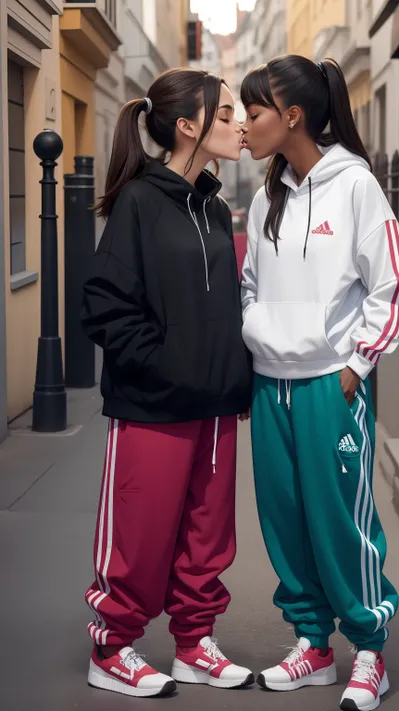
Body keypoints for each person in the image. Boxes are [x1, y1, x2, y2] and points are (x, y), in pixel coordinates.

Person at [240, 56, 399, 711]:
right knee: (284, 519)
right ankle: (313, 643)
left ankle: (370, 647)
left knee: (341, 519)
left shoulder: (355, 187)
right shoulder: (266, 197)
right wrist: (256, 332)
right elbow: (252, 284)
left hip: (330, 385)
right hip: (272, 384)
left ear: (291, 116)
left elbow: (394, 282)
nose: (244, 126)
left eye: (253, 112)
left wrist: (356, 364)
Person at [81, 68, 254, 699]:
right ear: (188, 126)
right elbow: (104, 304)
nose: (240, 124)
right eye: (228, 113)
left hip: (214, 407)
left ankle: (193, 643)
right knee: (140, 535)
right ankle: (113, 647)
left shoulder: (211, 204)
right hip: (152, 406)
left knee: (208, 538)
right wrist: (165, 364)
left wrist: (226, 373)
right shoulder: (139, 202)